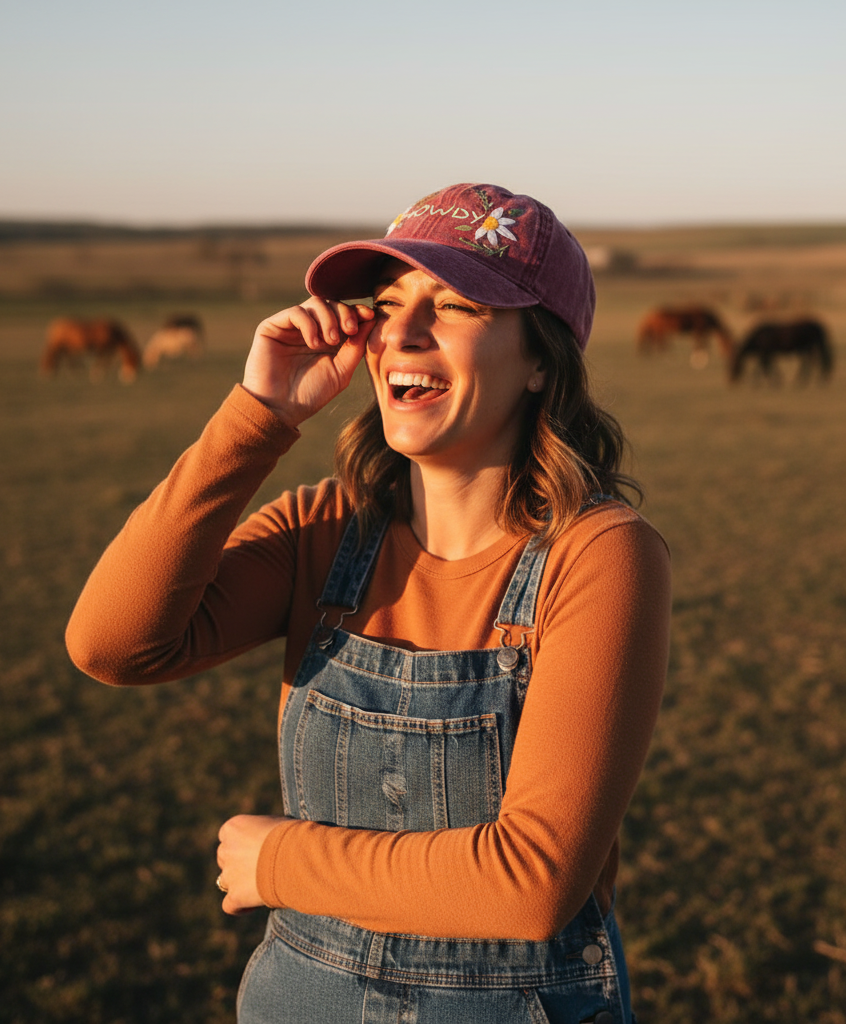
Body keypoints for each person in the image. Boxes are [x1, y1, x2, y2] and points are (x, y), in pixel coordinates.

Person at [66, 182, 671, 1024]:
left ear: (542, 361)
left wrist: (282, 862)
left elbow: (532, 882)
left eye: (454, 305)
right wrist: (259, 415)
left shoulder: (599, 555)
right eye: (387, 305)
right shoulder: (321, 530)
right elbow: (112, 645)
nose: (402, 333)